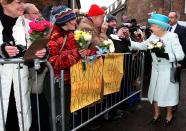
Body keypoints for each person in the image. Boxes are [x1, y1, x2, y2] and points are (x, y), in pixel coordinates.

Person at [126, 13, 184, 127]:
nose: (150, 27)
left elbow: (180, 55)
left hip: (168, 71)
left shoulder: (172, 37)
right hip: (156, 71)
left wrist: (166, 55)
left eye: (152, 25)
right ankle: (157, 114)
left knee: (169, 95)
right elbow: (142, 45)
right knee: (155, 93)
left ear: (160, 26)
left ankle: (169, 115)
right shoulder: (153, 37)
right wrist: (127, 42)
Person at [0, 0, 46, 131]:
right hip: (2, 82)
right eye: (18, 2)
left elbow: (38, 45)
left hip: (21, 82)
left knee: (21, 120)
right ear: (4, 3)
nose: (22, 6)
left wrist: (43, 51)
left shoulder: (28, 24)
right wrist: (1, 51)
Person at [48, 5, 82, 131]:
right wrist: (76, 56)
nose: (75, 21)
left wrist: (89, 53)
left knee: (66, 113)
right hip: (56, 83)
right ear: (66, 21)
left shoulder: (71, 34)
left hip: (68, 80)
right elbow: (53, 62)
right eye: (73, 19)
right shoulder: (54, 37)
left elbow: (76, 51)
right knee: (58, 115)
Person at [24, 3, 50, 131]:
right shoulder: (22, 29)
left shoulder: (41, 28)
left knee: (42, 111)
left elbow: (47, 48)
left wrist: (44, 51)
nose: (39, 15)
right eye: (35, 13)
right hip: (26, 80)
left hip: (38, 79)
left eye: (39, 12)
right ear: (26, 15)